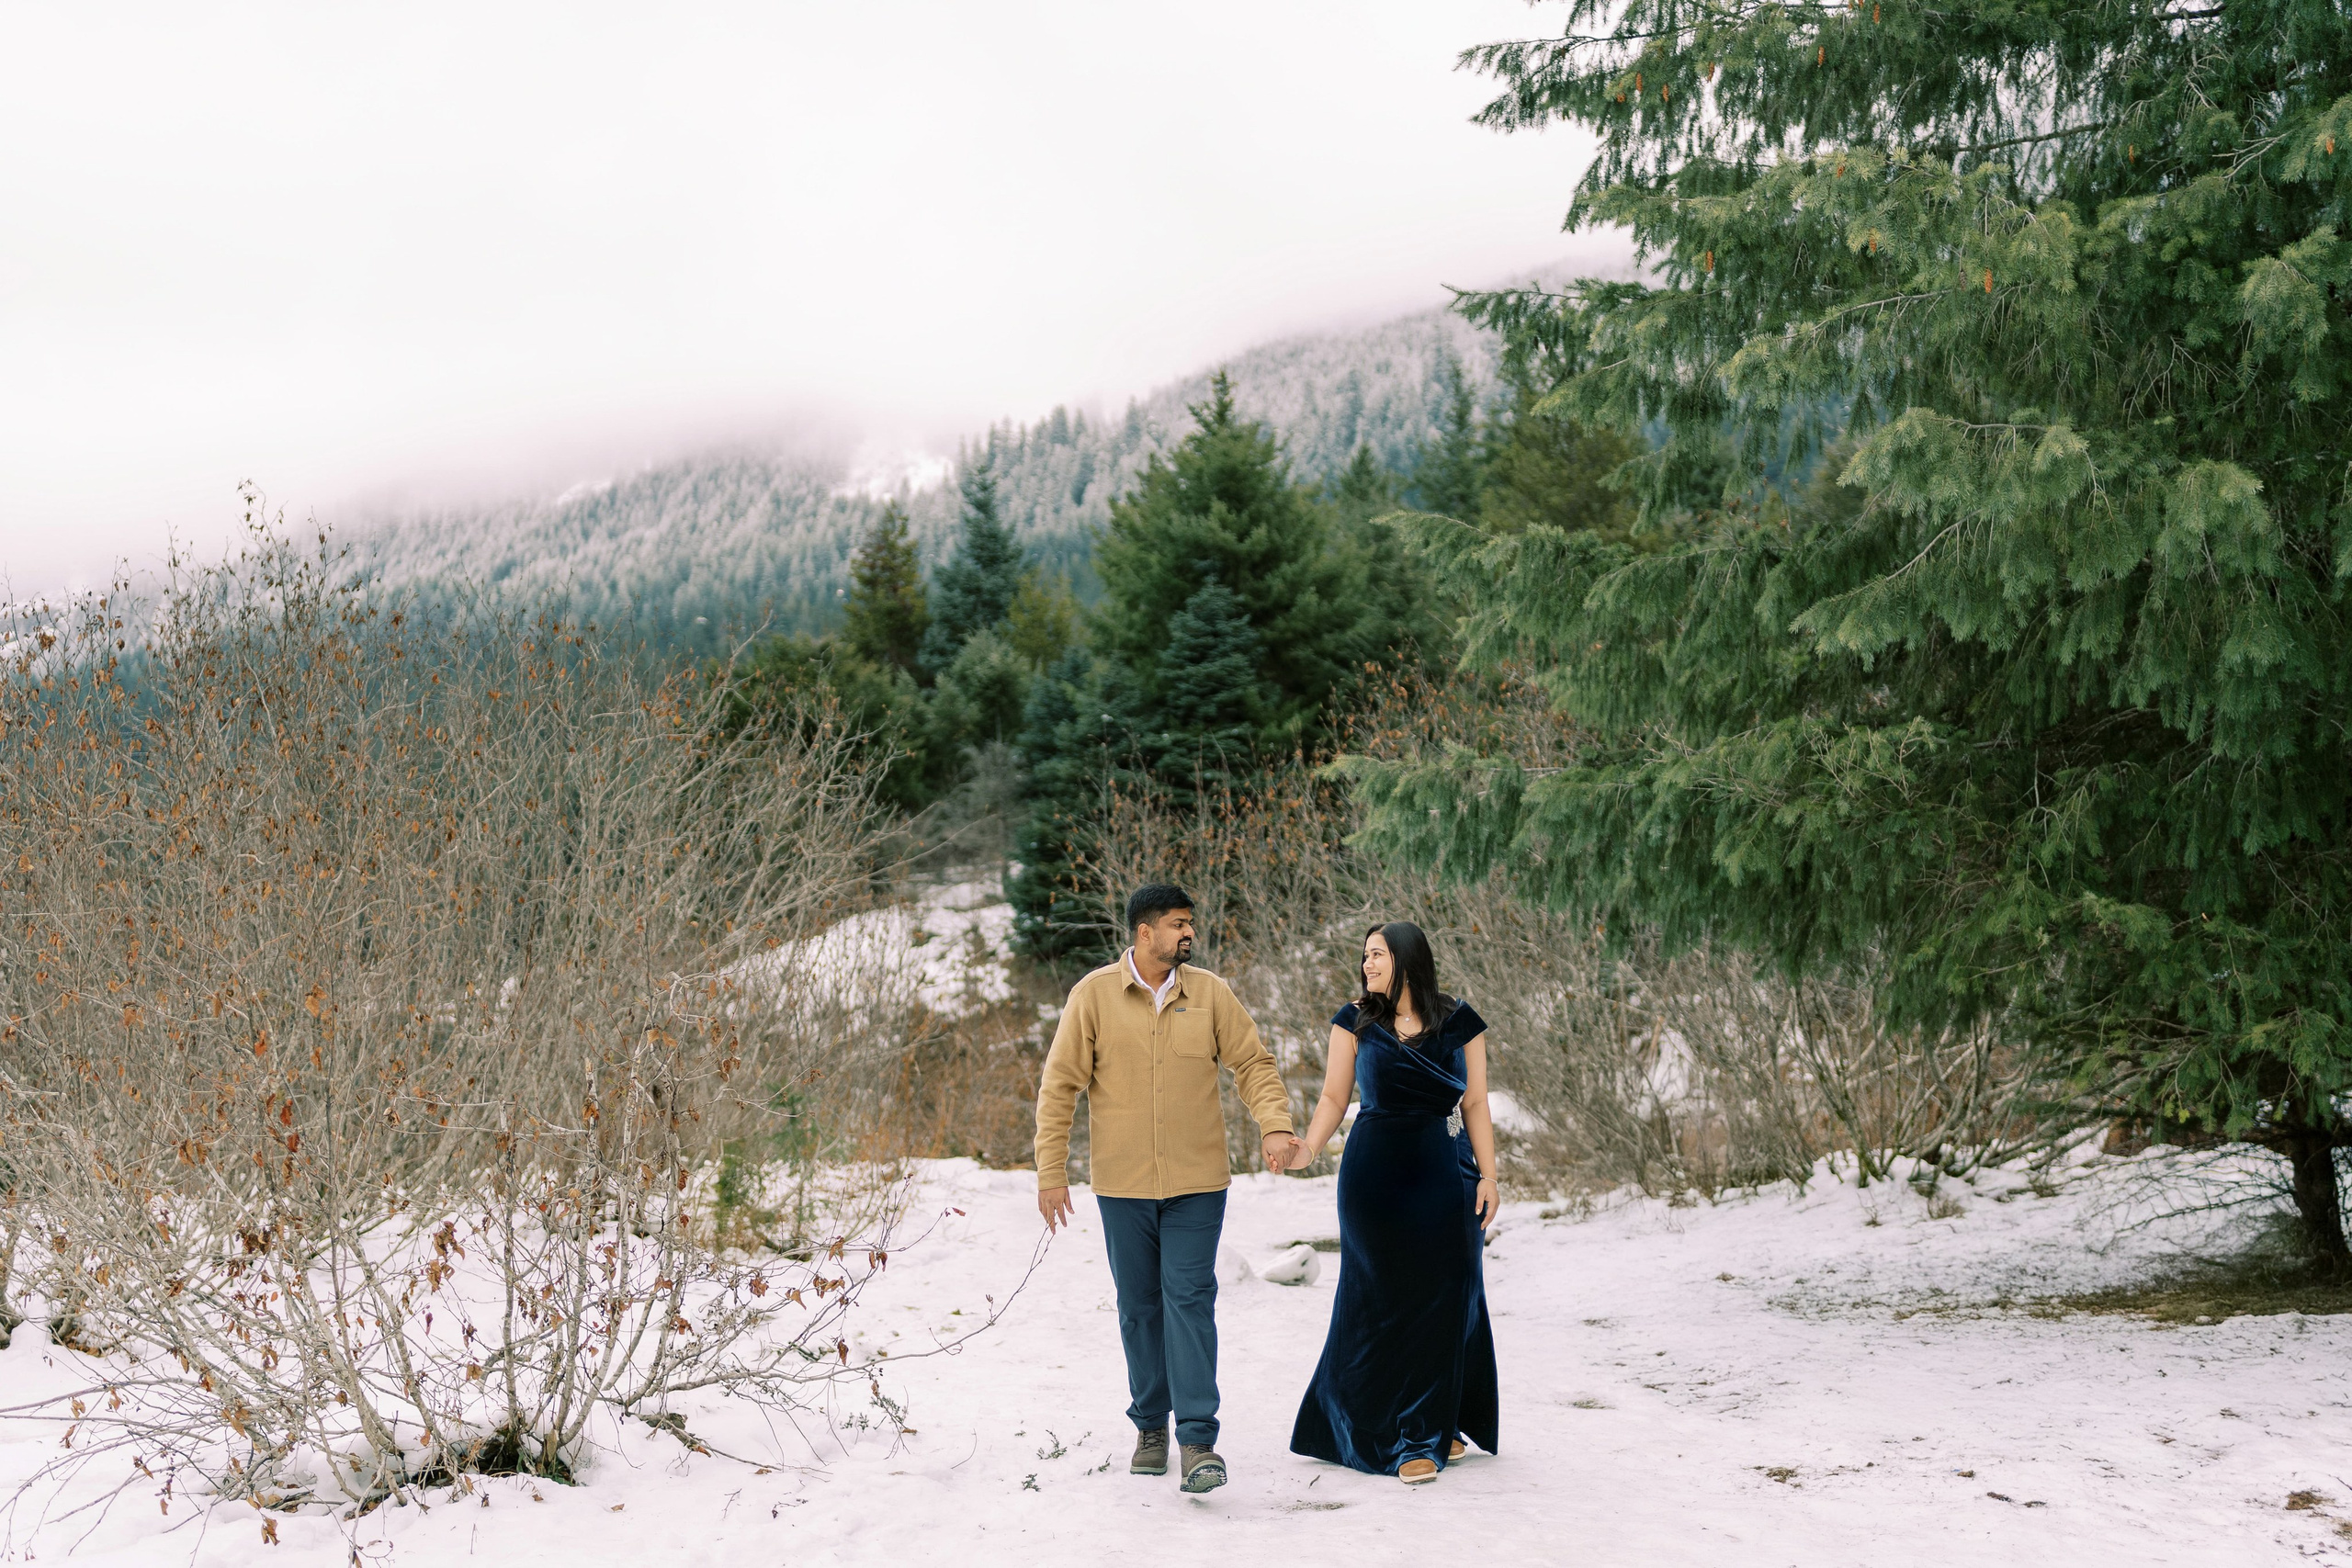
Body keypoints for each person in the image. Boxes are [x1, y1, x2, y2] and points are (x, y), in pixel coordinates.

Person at [1034, 884, 1304, 1495]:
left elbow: (1253, 1062)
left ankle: (1198, 1439)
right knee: (1138, 1306)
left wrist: (1275, 1123)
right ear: (1145, 931)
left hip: (1197, 1183)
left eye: (1190, 923)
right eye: (1178, 924)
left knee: (1189, 1297)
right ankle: (1150, 1425)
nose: (1188, 933)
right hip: (1122, 1185)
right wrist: (1051, 1169)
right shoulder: (1094, 996)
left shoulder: (1209, 994)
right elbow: (1059, 1087)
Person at [1287, 920, 1500, 1483]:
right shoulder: (1353, 1021)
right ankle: (1408, 1437)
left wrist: (1489, 1176)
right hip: (1373, 1176)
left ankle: (1436, 1420)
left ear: (1407, 958)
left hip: (1444, 1170)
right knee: (1378, 1299)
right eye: (1364, 957)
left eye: (1377, 955)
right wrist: (1308, 1147)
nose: (1367, 966)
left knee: (1447, 1295)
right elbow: (1335, 1096)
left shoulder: (1459, 1021)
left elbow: (1475, 1103)